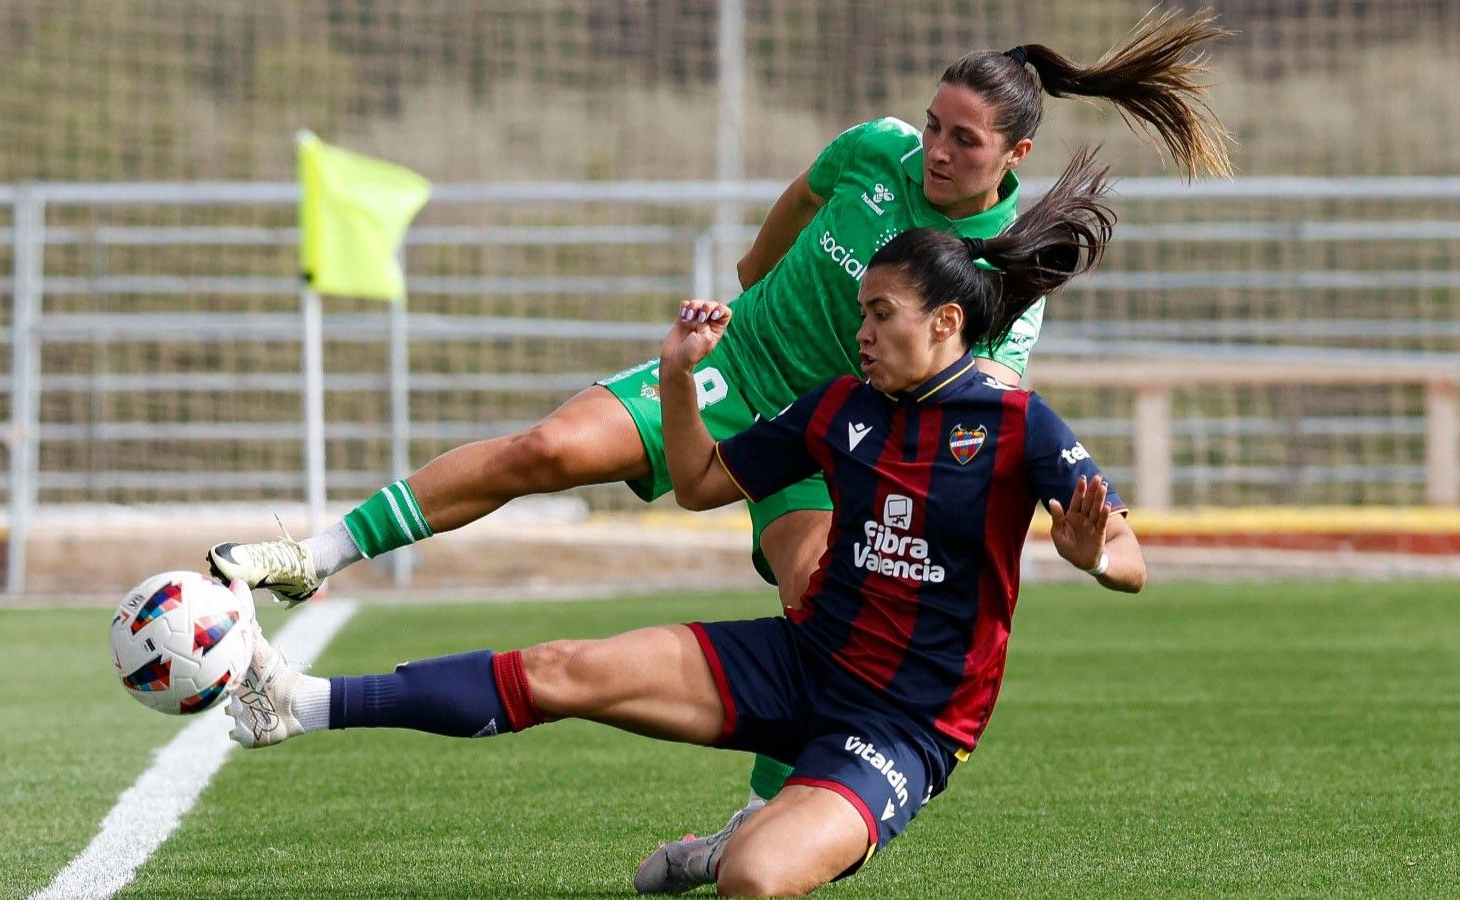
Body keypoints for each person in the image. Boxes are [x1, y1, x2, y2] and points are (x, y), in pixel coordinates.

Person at [210, 5, 1224, 871]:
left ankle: (766, 819)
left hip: (833, 444)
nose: (937, 150)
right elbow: (803, 196)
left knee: (821, 603)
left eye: (964, 139)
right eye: (933, 126)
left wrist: (1076, 540)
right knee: (547, 451)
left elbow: (988, 404)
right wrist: (747, 280)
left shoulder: (995, 278)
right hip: (735, 380)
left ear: (1015, 156)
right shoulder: (876, 151)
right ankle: (315, 555)